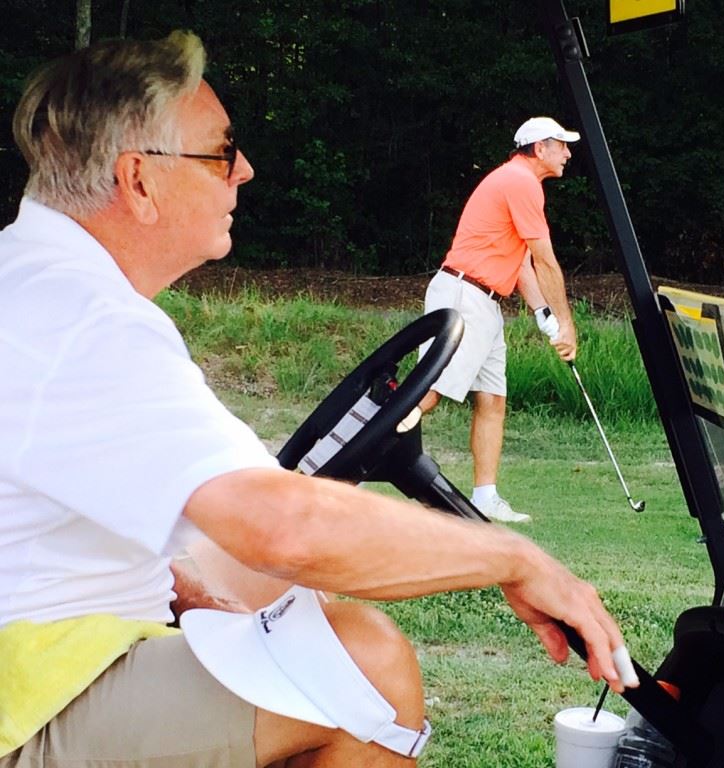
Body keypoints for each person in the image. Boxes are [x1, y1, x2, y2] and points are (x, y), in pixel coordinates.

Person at [0, 32, 636, 768]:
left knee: (264, 590)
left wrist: (202, 594)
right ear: (138, 180)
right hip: (29, 699)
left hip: (49, 651)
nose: (244, 170)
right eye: (220, 152)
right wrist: (516, 561)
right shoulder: (85, 319)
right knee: (365, 661)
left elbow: (99, 529)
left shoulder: (42, 284)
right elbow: (285, 527)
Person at [417, 116, 581, 523]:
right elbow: (545, 260)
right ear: (539, 147)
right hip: (464, 295)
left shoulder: (520, 182)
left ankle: (485, 497)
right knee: (428, 392)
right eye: (561, 144)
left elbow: (521, 262)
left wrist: (542, 312)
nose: (568, 153)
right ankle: (351, 468)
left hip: (485, 303)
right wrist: (566, 323)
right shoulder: (520, 181)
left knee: (492, 399)